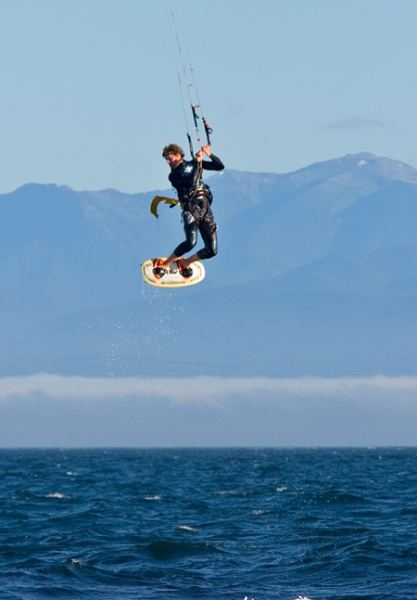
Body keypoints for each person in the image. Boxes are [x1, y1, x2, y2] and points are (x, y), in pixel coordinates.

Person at [154, 143, 225, 278]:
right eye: (167, 160)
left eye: (171, 158)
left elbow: (219, 166)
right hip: (190, 210)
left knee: (212, 251)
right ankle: (165, 264)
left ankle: (186, 262)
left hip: (205, 210)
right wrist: (198, 164)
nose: (169, 162)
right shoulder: (173, 175)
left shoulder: (194, 165)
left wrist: (208, 154)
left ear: (179, 155)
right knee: (191, 243)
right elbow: (191, 182)